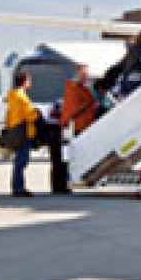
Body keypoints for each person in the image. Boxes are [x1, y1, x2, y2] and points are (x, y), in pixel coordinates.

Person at [53, 65, 98, 195]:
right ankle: (60, 186)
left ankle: (61, 185)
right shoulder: (74, 89)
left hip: (79, 128)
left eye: (87, 75)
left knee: (65, 159)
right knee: (65, 159)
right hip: (75, 128)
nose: (86, 78)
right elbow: (74, 110)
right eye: (84, 75)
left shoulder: (79, 89)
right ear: (78, 74)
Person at [5, 71, 40, 197]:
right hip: (23, 131)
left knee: (19, 161)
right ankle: (18, 188)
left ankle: (17, 186)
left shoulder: (12, 96)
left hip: (15, 130)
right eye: (29, 80)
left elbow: (9, 115)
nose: (30, 82)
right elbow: (30, 115)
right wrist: (37, 113)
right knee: (21, 161)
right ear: (24, 81)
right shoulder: (22, 97)